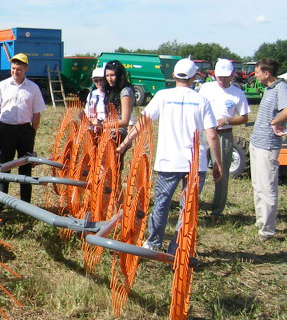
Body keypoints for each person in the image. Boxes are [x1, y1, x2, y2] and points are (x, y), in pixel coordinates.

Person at [118, 58, 222, 253]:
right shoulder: (202, 100)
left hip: (168, 162)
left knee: (162, 202)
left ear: (174, 76)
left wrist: (125, 143)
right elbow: (212, 136)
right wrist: (217, 163)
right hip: (195, 164)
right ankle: (177, 247)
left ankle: (153, 242)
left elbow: (143, 122)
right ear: (194, 77)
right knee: (188, 208)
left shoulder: (162, 96)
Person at [0, 53, 46, 212]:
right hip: (6, 130)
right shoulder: (2, 85)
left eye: (19, 69)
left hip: (25, 130)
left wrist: (31, 132)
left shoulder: (33, 88)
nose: (15, 72)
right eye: (13, 68)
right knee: (4, 166)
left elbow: (37, 113)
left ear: (26, 69)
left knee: (25, 166)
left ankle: (25, 204)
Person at [198, 59, 250, 216]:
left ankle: (217, 210)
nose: (221, 79)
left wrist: (227, 120)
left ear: (232, 75)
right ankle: (191, 205)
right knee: (197, 169)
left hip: (224, 135)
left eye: (225, 76)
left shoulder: (237, 94)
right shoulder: (205, 88)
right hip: (203, 132)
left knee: (222, 172)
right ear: (214, 74)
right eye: (219, 76)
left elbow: (244, 118)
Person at [248, 57, 287, 241]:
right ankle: (260, 220)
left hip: (268, 145)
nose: (255, 75)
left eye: (256, 72)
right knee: (257, 185)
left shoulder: (281, 88)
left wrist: (275, 121)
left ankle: (268, 230)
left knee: (267, 187)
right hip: (257, 142)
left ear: (266, 73)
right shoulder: (269, 88)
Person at [102, 60, 134, 135]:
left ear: (119, 75)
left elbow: (125, 121)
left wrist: (103, 125)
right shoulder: (111, 90)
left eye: (112, 75)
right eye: (107, 76)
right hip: (109, 130)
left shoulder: (125, 92)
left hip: (119, 133)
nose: (109, 78)